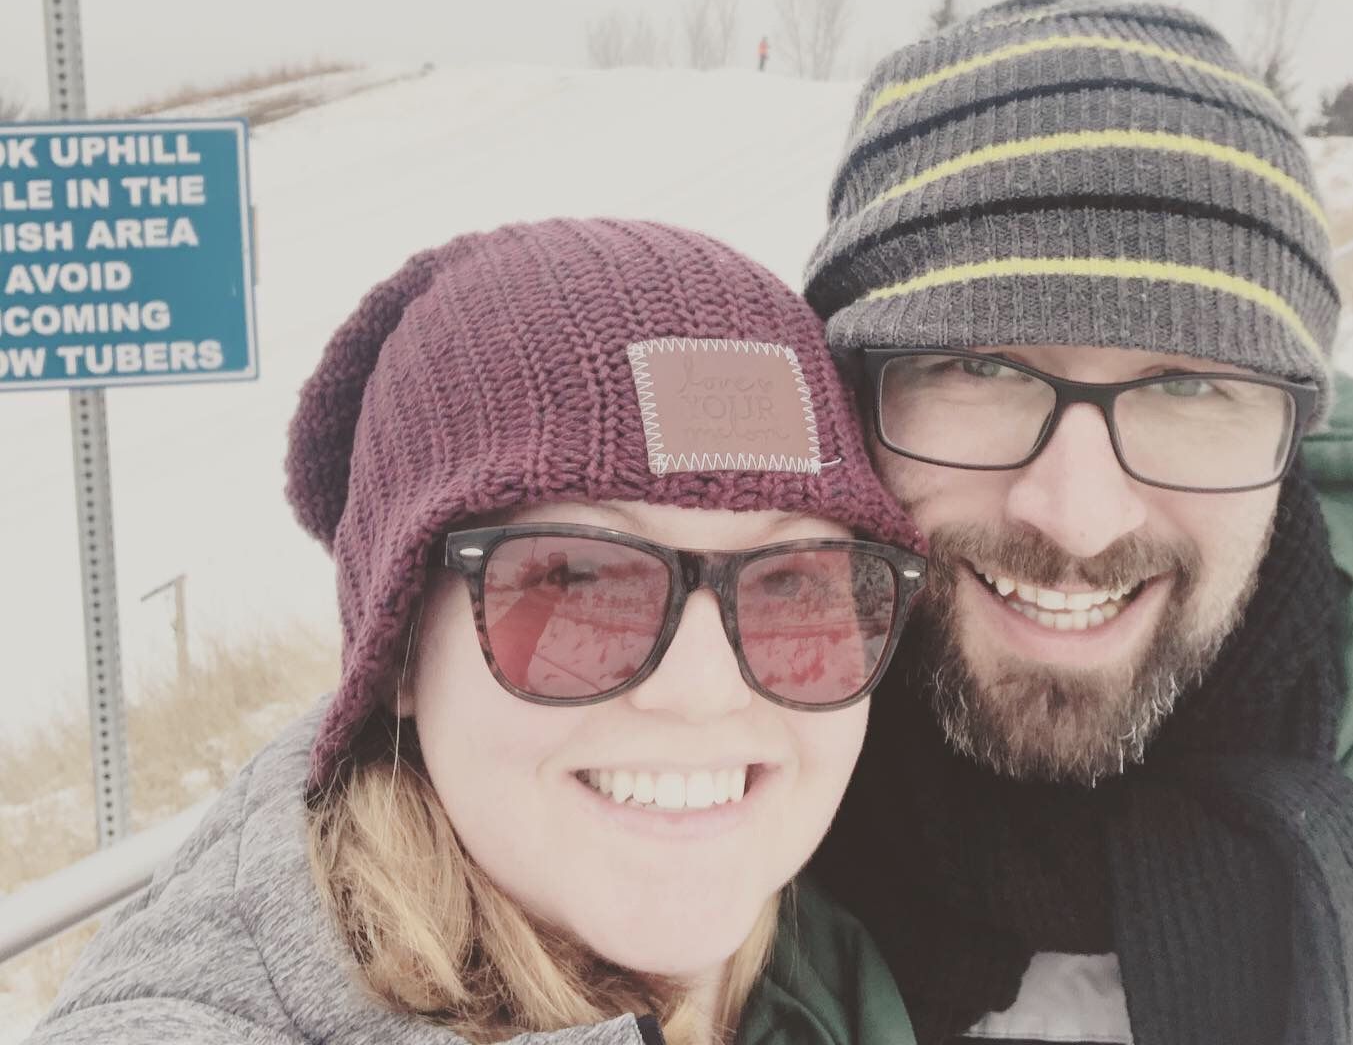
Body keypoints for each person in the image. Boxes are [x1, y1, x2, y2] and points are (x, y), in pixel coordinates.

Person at [28, 219, 928, 1045]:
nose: (701, 689)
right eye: (579, 580)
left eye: (794, 585)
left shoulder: (837, 959)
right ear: (400, 654)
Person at [803, 0, 1353, 1044]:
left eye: (1187, 386)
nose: (1079, 519)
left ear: (1295, 433)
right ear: (852, 398)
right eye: (983, 365)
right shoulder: (687, 778)